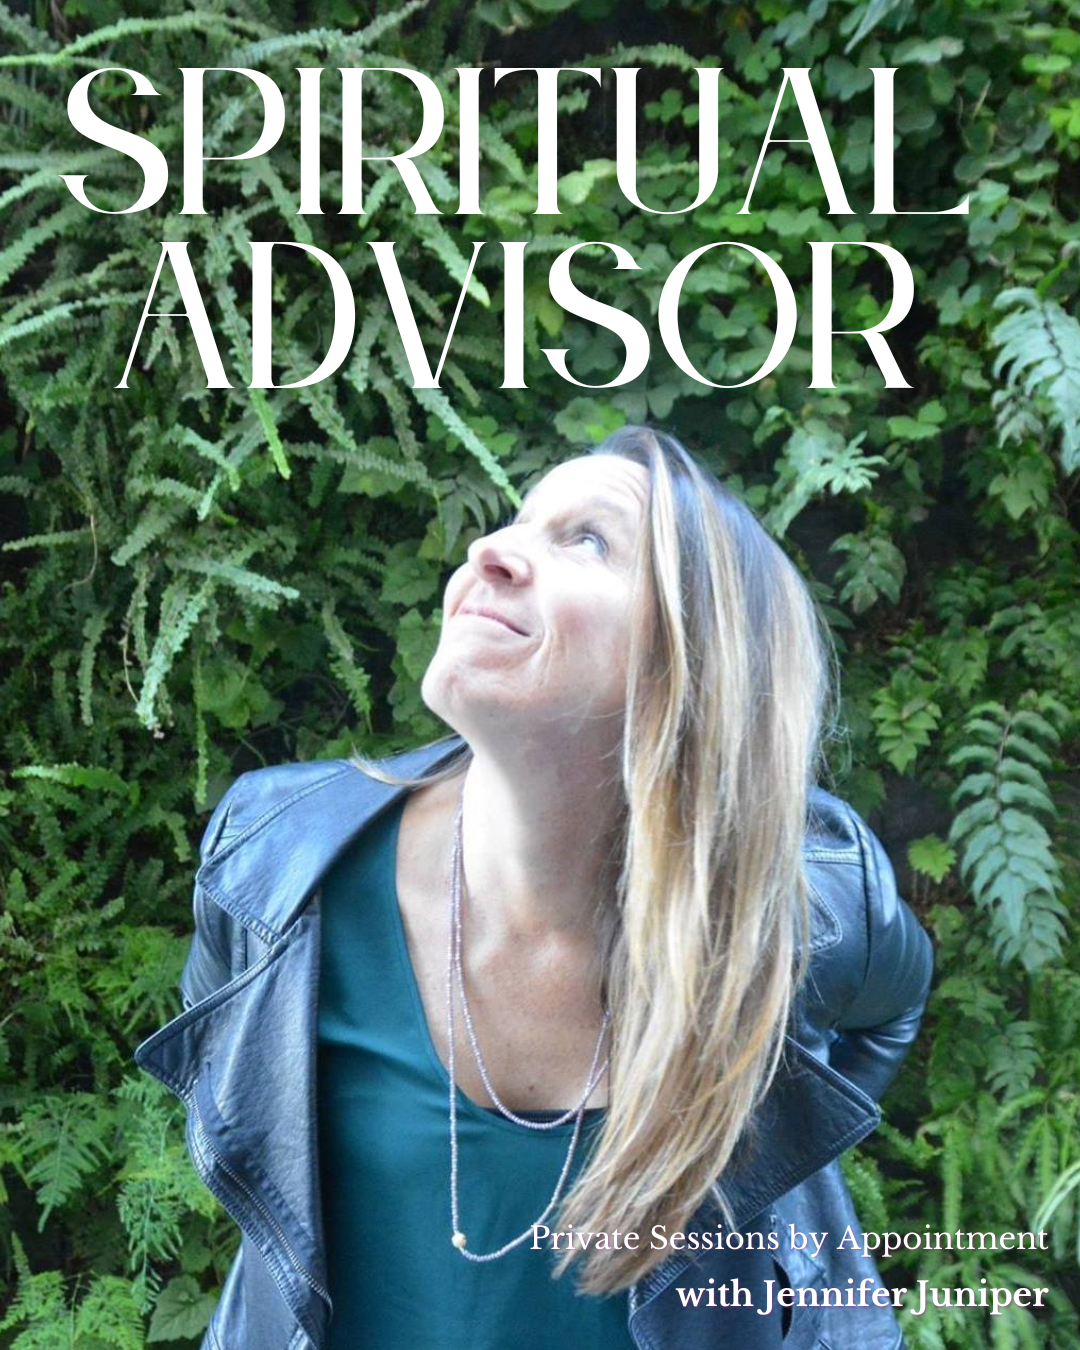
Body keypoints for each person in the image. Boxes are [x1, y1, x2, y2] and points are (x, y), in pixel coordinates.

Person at [134, 425, 934, 1350]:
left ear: (693, 668)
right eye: (517, 520)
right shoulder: (276, 860)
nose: (490, 550)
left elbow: (890, 1012)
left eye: (588, 540)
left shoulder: (803, 908)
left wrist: (768, 1153)